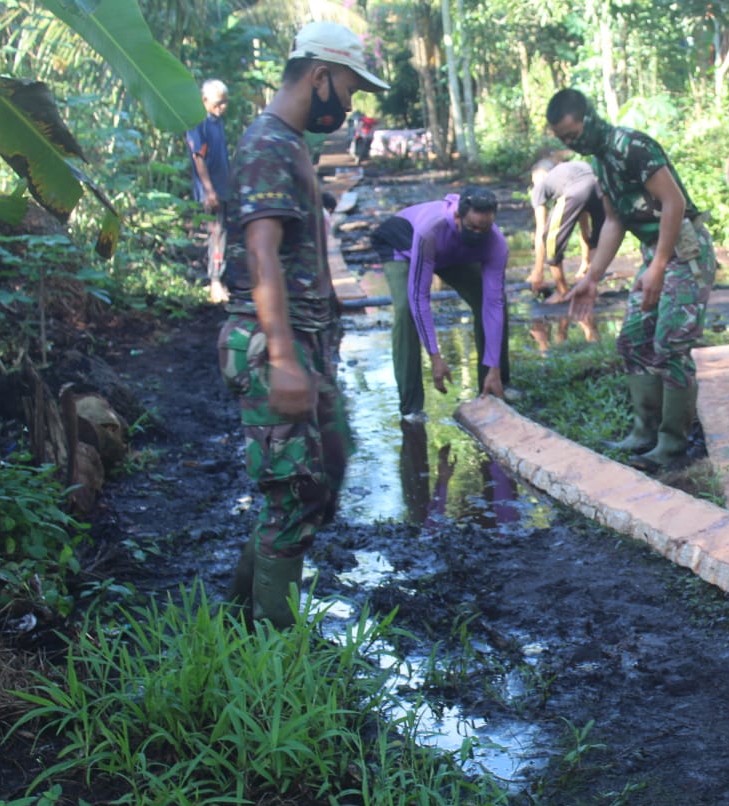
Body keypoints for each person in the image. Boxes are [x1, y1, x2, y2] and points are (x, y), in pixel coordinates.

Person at [217, 20, 389, 629]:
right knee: (292, 496)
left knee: (322, 476)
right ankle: (273, 648)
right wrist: (285, 359)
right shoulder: (267, 144)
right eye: (348, 88)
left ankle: (240, 619)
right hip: (273, 343)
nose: (349, 103)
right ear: (319, 77)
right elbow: (261, 252)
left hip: (306, 341)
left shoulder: (290, 144)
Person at [545, 88, 716, 472]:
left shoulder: (633, 146)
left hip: (685, 254)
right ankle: (644, 432)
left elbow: (674, 202)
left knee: (671, 345)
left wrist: (658, 267)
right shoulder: (600, 162)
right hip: (655, 255)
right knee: (634, 341)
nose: (572, 144)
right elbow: (614, 221)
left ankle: (673, 445)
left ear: (589, 119)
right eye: (564, 140)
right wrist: (592, 277)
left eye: (574, 135)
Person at [370, 187, 511, 419]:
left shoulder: (496, 243)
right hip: (402, 241)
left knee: (493, 300)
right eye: (472, 227)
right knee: (406, 311)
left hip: (449, 252)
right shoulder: (431, 230)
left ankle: (494, 383)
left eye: (483, 229)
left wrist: (494, 365)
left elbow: (493, 303)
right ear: (457, 217)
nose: (478, 233)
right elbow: (419, 297)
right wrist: (435, 357)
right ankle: (411, 408)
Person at [526, 158, 604, 299]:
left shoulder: (542, 183)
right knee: (596, 239)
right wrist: (585, 261)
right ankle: (590, 285)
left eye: (533, 181)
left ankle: (562, 291)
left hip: (575, 191)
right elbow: (585, 228)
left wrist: (538, 271)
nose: (534, 185)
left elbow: (541, 230)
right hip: (600, 186)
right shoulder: (567, 172)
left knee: (550, 240)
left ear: (540, 175)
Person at [185, 79, 232, 303]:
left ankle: (222, 280)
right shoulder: (199, 124)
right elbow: (199, 158)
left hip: (223, 187)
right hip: (211, 189)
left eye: (225, 103)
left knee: (224, 234)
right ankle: (215, 281)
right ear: (204, 101)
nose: (222, 107)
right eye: (218, 103)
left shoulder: (217, 122)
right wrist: (209, 190)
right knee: (216, 234)